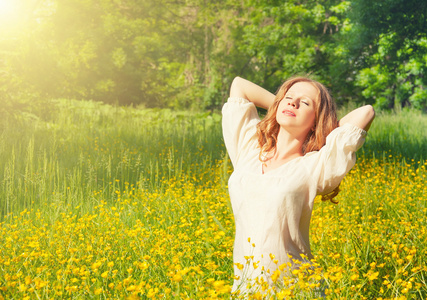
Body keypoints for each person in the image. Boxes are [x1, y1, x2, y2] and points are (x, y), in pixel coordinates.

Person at [222, 76, 375, 296]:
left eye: (305, 103)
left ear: (315, 120)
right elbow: (239, 85)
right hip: (246, 288)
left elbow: (366, 112)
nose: (292, 103)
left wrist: (325, 127)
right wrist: (280, 105)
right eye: (289, 98)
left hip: (296, 288)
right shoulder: (247, 150)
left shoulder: (314, 166)